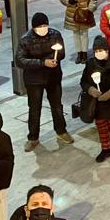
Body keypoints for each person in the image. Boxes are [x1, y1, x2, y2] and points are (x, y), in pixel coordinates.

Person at [16, 13, 72, 152]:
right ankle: (33, 137)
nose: (43, 28)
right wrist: (43, 63)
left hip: (53, 77)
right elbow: (20, 60)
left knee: (57, 105)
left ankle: (61, 131)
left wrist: (54, 59)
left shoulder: (55, 34)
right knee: (34, 109)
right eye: (40, 26)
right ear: (34, 27)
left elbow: (61, 52)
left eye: (45, 25)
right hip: (34, 80)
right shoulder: (25, 40)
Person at [81, 36, 110, 164]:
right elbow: (84, 81)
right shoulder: (91, 64)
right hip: (98, 104)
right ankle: (105, 149)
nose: (98, 53)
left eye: (101, 50)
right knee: (101, 127)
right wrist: (91, 89)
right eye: (96, 51)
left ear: (107, 50)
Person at [59, 0, 97, 64]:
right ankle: (79, 53)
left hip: (85, 13)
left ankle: (84, 53)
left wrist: (90, 8)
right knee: (76, 33)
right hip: (72, 14)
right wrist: (68, 1)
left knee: (84, 33)